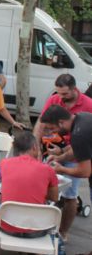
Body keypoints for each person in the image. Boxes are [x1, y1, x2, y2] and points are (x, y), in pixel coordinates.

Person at [0, 132, 59, 255]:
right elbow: (54, 197)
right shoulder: (47, 170)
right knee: (50, 209)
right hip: (36, 230)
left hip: (8, 227)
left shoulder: (5, 164)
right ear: (35, 147)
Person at [34, 74, 92, 241]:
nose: (53, 133)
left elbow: (85, 171)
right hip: (77, 150)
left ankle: (63, 234)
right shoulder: (79, 121)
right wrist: (59, 157)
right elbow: (75, 149)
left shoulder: (79, 132)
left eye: (53, 129)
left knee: (70, 195)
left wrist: (61, 169)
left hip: (84, 161)